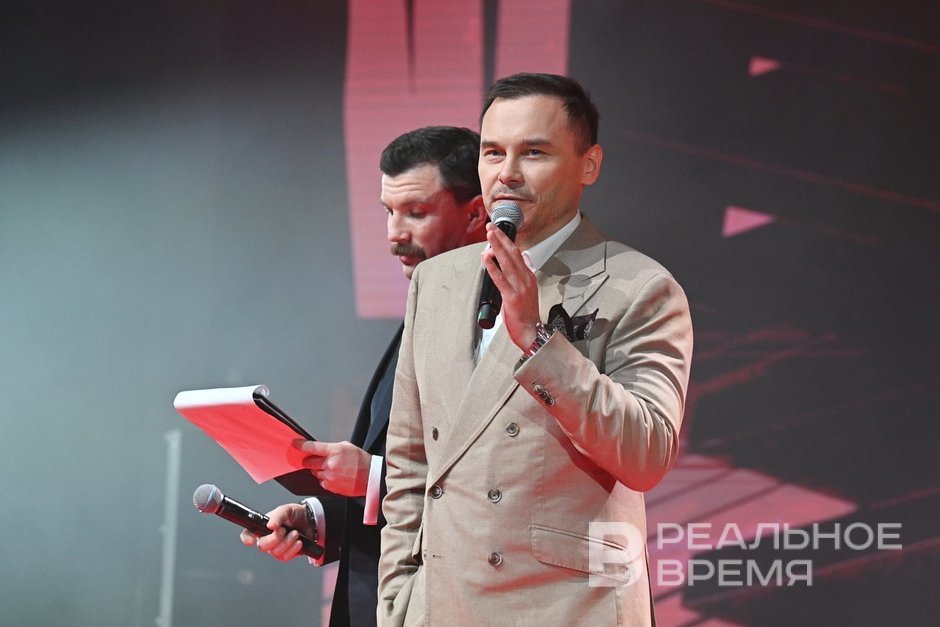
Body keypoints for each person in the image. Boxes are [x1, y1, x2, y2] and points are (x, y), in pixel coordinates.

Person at [378, 73, 694, 625]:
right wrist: (399, 599)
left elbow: (646, 454)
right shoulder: (436, 281)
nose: (507, 173)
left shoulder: (639, 286)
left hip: (565, 607)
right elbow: (410, 458)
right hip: (442, 605)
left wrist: (536, 338)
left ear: (588, 165)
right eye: (493, 152)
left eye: (534, 153)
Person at [239, 126, 487, 627]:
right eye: (389, 212)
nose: (395, 233)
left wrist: (372, 478)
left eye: (416, 212)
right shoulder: (425, 310)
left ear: (476, 214)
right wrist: (321, 520)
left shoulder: (505, 322)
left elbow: (497, 485)